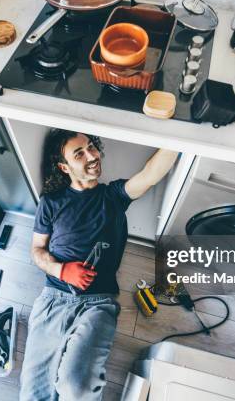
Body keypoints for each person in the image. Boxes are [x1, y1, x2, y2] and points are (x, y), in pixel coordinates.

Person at [19, 129, 178, 401]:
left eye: (91, 146)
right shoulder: (51, 202)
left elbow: (151, 174)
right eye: (79, 153)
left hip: (98, 302)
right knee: (33, 396)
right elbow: (36, 250)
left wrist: (185, 135)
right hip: (53, 300)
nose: (92, 155)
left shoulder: (113, 196)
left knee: (76, 387)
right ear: (63, 167)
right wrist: (61, 270)